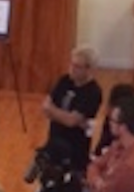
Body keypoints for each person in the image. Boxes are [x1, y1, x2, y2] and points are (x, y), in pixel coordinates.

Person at [38, 46, 103, 174]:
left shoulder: (93, 92)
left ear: (89, 69)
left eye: (77, 66)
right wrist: (69, 118)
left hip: (75, 151)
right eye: (71, 64)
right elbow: (45, 107)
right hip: (54, 141)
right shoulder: (64, 80)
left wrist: (55, 112)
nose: (72, 69)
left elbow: (71, 121)